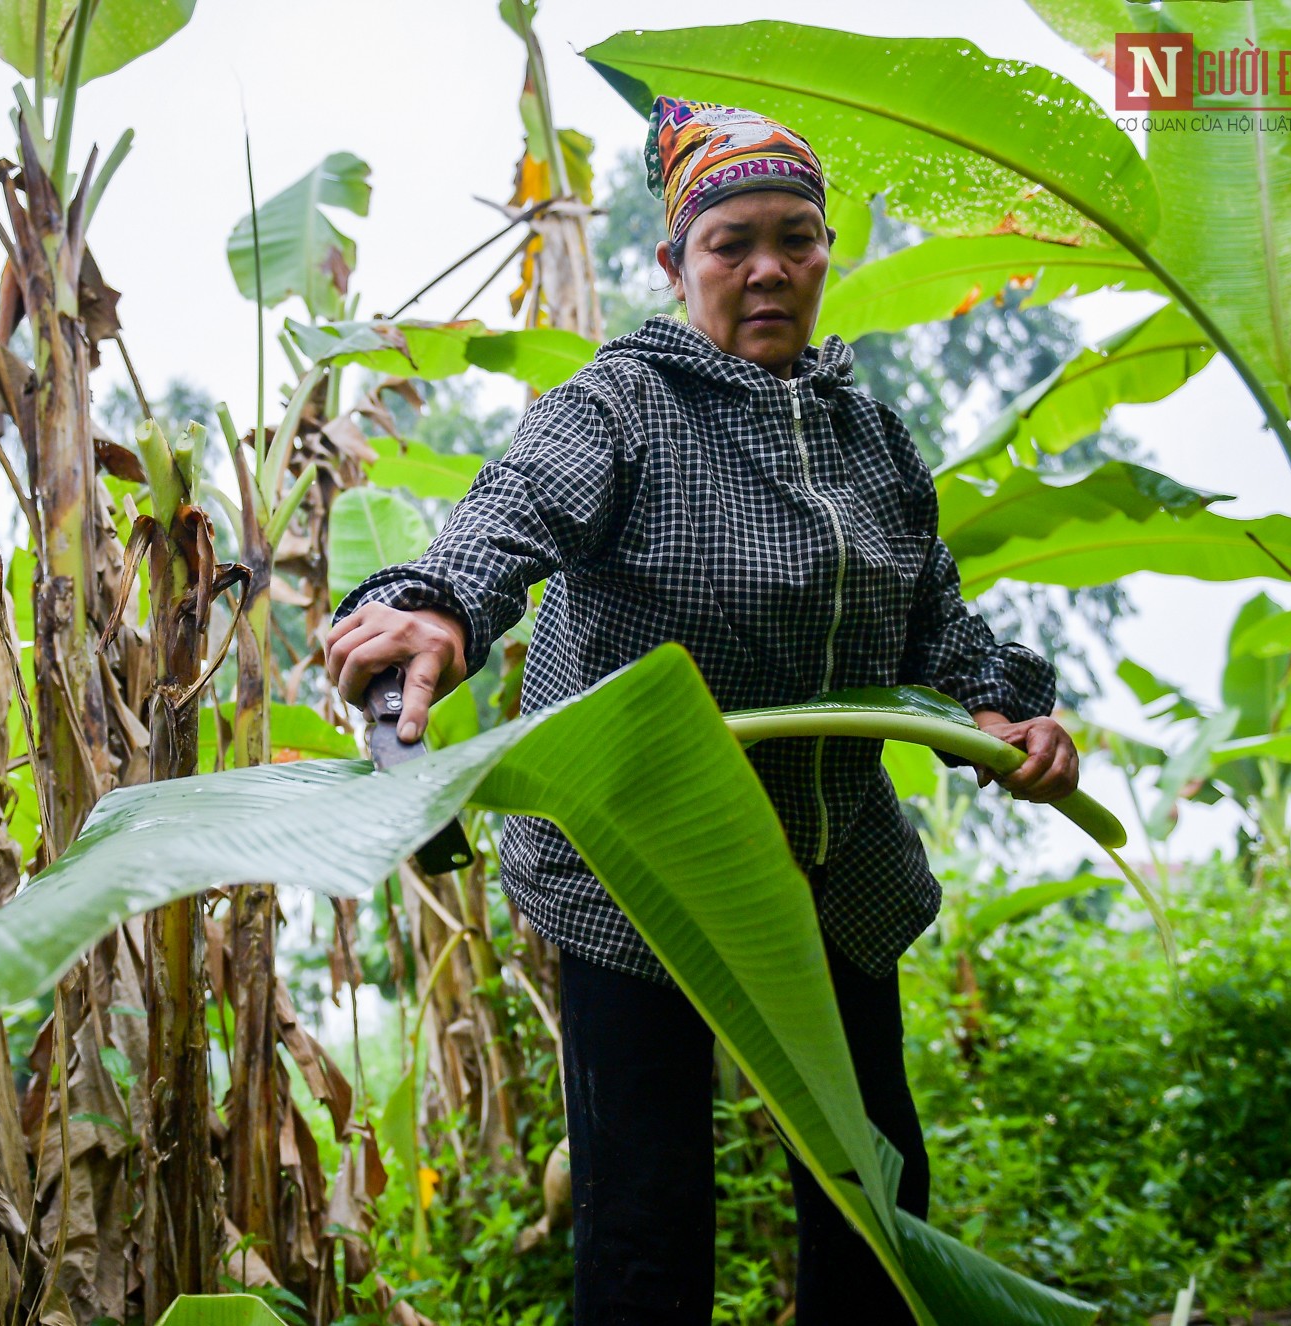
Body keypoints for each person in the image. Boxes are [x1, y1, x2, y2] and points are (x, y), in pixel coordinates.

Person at [325, 96, 1079, 1324]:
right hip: (645, 879)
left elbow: (931, 624)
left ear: (830, 252)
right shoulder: (621, 406)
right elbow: (512, 511)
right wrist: (437, 605)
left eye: (798, 236)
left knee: (873, 1196)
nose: (769, 267)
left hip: (834, 875)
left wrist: (997, 712)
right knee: (643, 1227)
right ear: (675, 265)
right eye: (732, 243)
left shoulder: (871, 441)